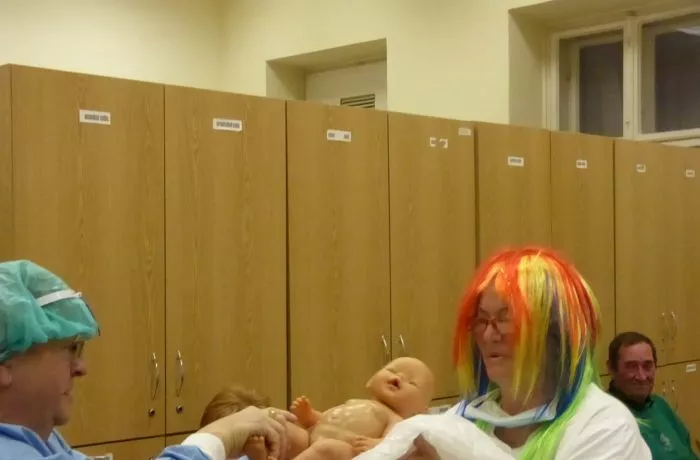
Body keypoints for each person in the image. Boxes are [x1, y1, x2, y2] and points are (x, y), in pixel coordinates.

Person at [0, 259, 294, 460]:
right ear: (4, 367)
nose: (81, 368)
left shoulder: (43, 441)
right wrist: (222, 434)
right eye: (69, 349)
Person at [402, 247, 651, 459]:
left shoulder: (605, 425)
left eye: (505, 320)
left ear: (554, 333)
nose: (488, 336)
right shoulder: (464, 419)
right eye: (482, 320)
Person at [290, 356, 435, 458]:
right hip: (314, 440)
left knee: (326, 448)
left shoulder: (395, 419)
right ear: (370, 380)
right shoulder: (356, 402)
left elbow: (395, 443)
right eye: (392, 371)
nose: (400, 376)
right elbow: (328, 421)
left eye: (412, 382)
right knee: (289, 431)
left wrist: (377, 445)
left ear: (420, 411)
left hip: (350, 454)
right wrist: (310, 415)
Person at [607, 331, 699, 459]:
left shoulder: (660, 405)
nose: (642, 376)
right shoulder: (608, 418)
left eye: (647, 366)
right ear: (611, 369)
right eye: (632, 366)